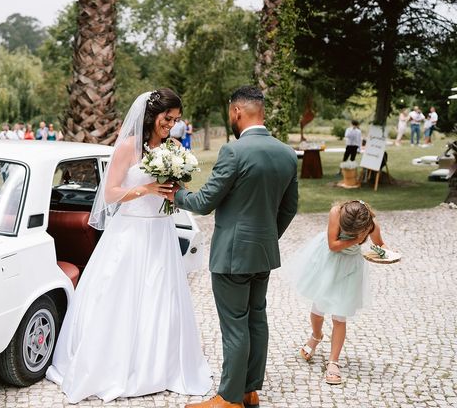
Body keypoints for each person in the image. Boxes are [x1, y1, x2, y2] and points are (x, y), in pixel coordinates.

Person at [46, 89, 211, 403]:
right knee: (119, 295)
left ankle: (160, 365)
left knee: (162, 296)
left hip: (161, 231)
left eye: (176, 120)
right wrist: (147, 188)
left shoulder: (173, 147)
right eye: (168, 118)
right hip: (130, 232)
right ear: (152, 115)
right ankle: (112, 365)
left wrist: (176, 185)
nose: (172, 125)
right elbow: (110, 194)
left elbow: (179, 188)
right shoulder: (126, 148)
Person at [171, 85, 298, 408]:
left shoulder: (234, 152)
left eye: (230, 112)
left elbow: (203, 203)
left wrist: (175, 192)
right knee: (257, 319)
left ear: (237, 112)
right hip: (263, 254)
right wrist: (267, 237)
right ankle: (249, 390)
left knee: (235, 326)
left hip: (232, 256)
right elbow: (289, 208)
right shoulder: (286, 153)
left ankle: (228, 399)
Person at [284, 200, 385, 385]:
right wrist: (357, 239)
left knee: (340, 315)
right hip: (328, 261)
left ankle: (333, 362)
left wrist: (384, 252)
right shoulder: (335, 212)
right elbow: (333, 244)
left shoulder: (371, 224)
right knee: (318, 307)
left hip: (349, 267)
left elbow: (380, 244)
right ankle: (316, 336)